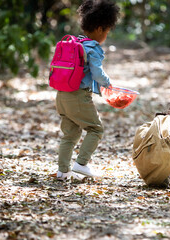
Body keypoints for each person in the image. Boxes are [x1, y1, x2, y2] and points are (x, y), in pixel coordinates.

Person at [55, 0, 120, 180]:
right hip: (78, 96)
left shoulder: (74, 42)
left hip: (61, 95)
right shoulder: (93, 48)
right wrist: (108, 83)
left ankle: (63, 171)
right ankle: (81, 164)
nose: (106, 35)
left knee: (70, 134)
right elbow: (97, 73)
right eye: (107, 31)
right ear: (100, 29)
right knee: (95, 129)